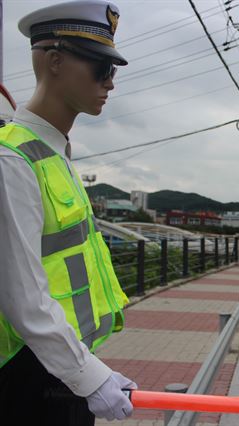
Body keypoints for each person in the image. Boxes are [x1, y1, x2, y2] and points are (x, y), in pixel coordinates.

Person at [0, 1, 137, 424]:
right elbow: (24, 298)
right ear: (55, 61)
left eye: (112, 70)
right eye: (100, 68)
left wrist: (92, 372)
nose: (109, 83)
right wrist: (91, 378)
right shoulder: (12, 159)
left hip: (60, 369)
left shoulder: (53, 154)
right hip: (24, 382)